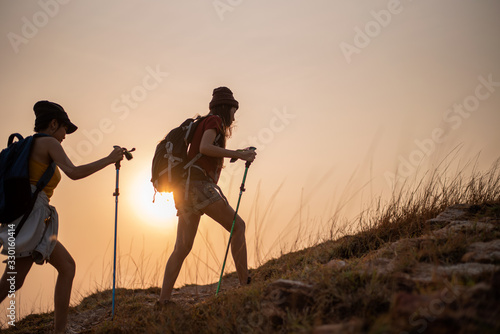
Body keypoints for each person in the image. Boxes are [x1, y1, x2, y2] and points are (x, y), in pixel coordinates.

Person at [0, 101, 124, 333]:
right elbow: (74, 173)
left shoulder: (28, 145)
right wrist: (109, 159)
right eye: (65, 129)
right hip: (31, 217)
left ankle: (60, 330)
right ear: (54, 123)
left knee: (61, 267)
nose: (65, 136)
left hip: (26, 216)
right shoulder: (47, 142)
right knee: (13, 281)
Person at [159, 87, 256, 304]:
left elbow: (201, 149)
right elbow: (205, 147)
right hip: (199, 186)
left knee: (182, 248)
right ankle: (244, 284)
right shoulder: (214, 121)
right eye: (234, 110)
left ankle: (163, 301)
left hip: (183, 189)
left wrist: (233, 154)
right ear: (226, 108)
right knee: (237, 226)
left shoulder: (202, 122)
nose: (234, 115)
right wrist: (238, 155)